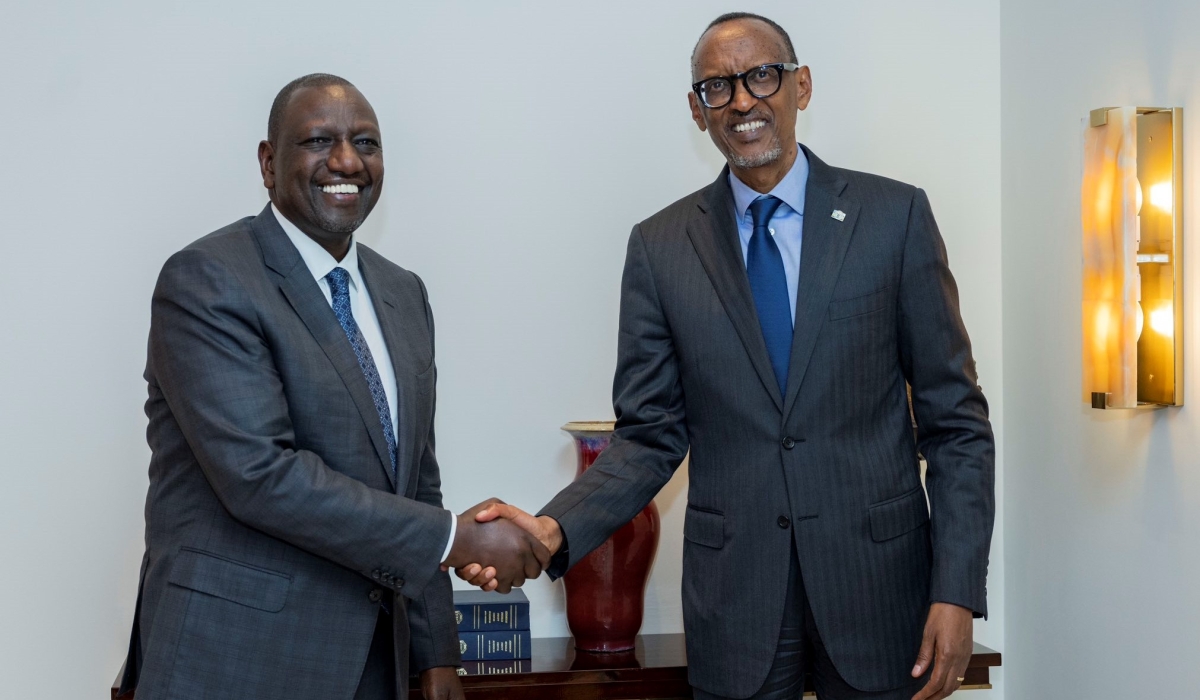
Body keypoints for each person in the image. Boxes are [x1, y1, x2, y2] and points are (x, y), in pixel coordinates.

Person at [458, 13, 995, 700]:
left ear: (800, 86)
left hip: (880, 593)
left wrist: (956, 590)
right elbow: (649, 436)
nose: (741, 100)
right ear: (696, 109)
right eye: (717, 86)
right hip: (736, 608)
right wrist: (552, 528)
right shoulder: (660, 248)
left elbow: (957, 426)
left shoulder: (894, 219)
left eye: (761, 76)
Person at [117, 73, 548, 700]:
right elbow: (262, 477)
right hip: (233, 662)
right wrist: (459, 540)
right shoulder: (209, 280)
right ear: (269, 163)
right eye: (319, 141)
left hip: (376, 664)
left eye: (366, 143)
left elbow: (416, 481)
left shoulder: (404, 293)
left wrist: (435, 656)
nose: (346, 161)